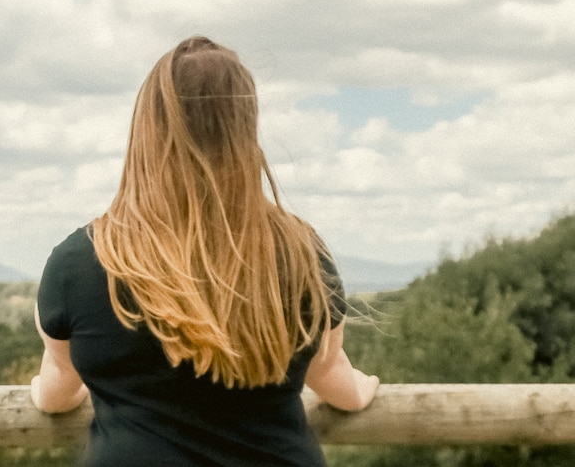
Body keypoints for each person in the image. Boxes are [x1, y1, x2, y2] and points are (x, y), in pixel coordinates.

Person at [31, 36, 379, 466]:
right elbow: (328, 371)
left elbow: (58, 387)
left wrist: (46, 395)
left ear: (146, 132)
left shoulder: (79, 262)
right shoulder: (300, 252)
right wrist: (359, 391)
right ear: (244, 126)